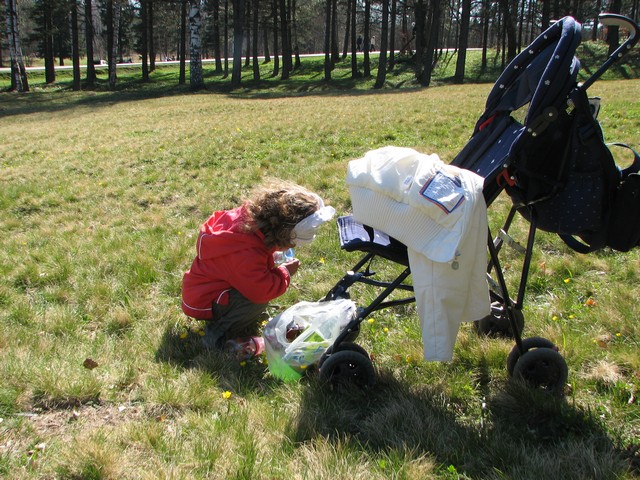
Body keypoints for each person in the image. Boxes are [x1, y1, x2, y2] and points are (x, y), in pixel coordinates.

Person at [181, 180, 335, 357]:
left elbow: (251, 258)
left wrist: (271, 256)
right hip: (204, 301)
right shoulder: (245, 253)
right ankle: (215, 334)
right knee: (257, 301)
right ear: (283, 233)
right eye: (291, 243)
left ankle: (232, 314)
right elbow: (262, 291)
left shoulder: (250, 221)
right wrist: (285, 272)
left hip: (204, 289)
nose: (292, 246)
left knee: (254, 292)